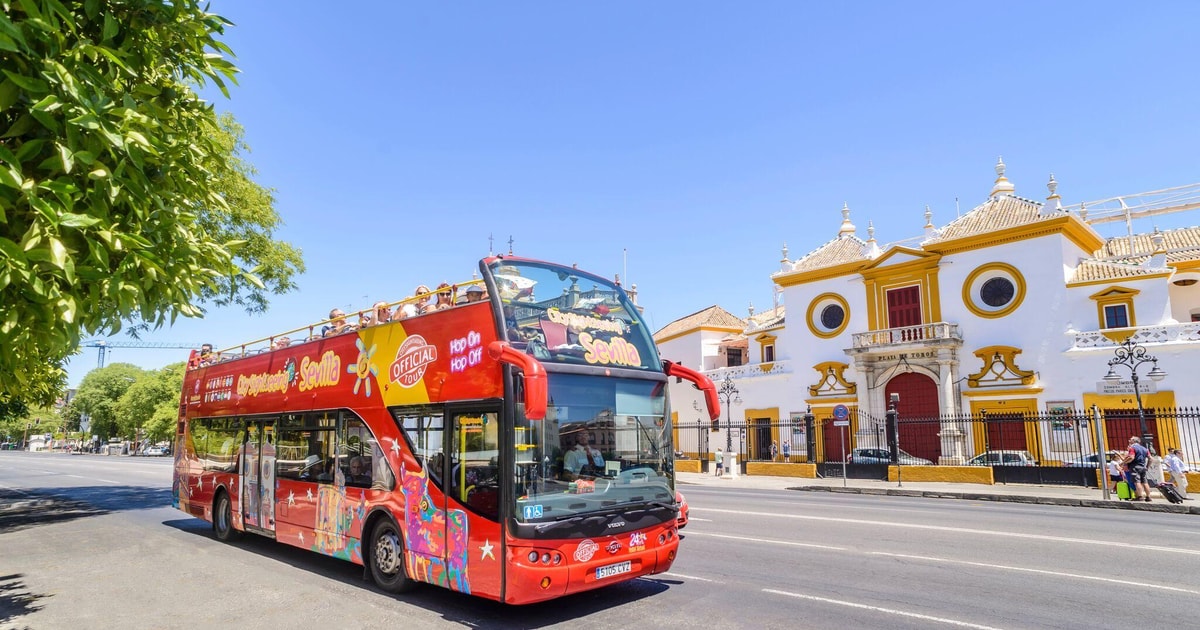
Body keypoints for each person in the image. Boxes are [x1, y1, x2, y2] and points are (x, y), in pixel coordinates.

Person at [1121, 436, 1152, 502]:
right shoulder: (1145, 449)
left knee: (1137, 482)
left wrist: (1123, 462)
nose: (1129, 440)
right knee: (1145, 482)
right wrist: (1147, 467)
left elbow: (1131, 457)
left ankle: (1140, 496)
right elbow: (1151, 459)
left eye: (1131, 439)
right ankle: (1148, 497)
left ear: (1134, 441)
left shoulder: (1132, 448)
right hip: (1143, 467)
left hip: (1135, 467)